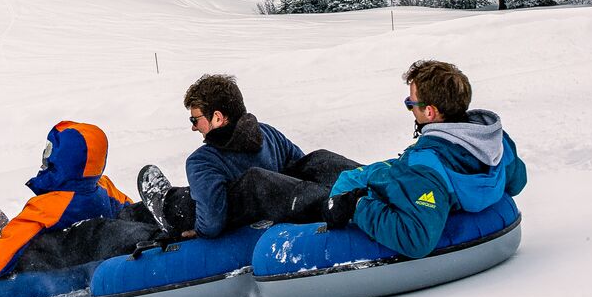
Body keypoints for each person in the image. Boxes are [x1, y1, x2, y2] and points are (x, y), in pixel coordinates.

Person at [324, 60, 528, 260]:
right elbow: (517, 182)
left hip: (361, 191)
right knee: (324, 162)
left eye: (410, 103)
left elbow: (416, 240)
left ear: (429, 112)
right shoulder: (494, 142)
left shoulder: (424, 165)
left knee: (329, 176)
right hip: (405, 179)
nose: (410, 108)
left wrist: (357, 205)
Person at [133, 74, 359, 239]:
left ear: (218, 118)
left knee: (186, 200)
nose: (194, 127)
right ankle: (364, 184)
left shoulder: (202, 161)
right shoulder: (268, 133)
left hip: (257, 217)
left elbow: (212, 222)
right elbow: (300, 172)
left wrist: (198, 233)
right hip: (290, 204)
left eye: (195, 119)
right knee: (316, 160)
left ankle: (165, 208)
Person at [0, 121, 155, 278]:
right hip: (95, 253)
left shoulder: (48, 206)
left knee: (8, 246)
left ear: (62, 159)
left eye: (50, 150)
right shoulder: (105, 188)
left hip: (50, 263)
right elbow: (127, 213)